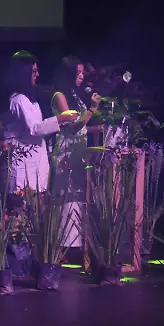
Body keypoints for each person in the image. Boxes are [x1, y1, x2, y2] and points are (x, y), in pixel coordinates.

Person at [3, 51, 78, 193]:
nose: (37, 75)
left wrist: (62, 121)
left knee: (34, 210)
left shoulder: (32, 102)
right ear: (23, 73)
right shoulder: (18, 100)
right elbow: (35, 128)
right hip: (22, 168)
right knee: (20, 211)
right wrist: (62, 118)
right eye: (34, 71)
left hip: (34, 165)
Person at [50, 56, 102, 248]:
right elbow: (71, 127)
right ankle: (61, 245)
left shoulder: (74, 95)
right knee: (65, 198)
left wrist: (98, 129)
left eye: (82, 72)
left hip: (78, 153)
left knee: (79, 197)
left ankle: (75, 244)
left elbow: (82, 128)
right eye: (78, 72)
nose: (81, 76)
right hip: (65, 152)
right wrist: (91, 110)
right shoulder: (59, 96)